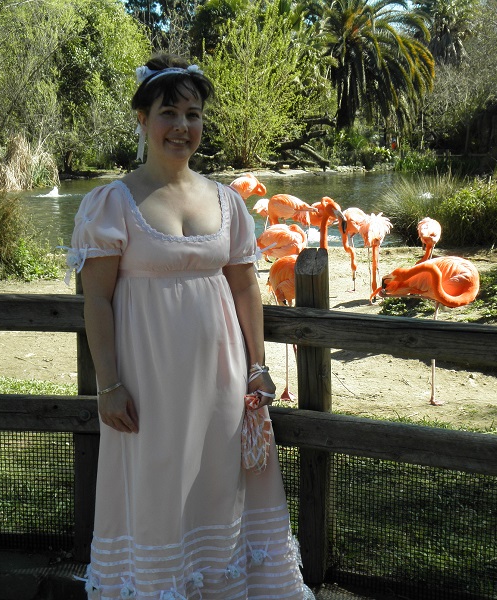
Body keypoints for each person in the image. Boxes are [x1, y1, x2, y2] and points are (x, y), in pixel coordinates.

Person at [66, 53, 314, 599]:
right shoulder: (111, 202)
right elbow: (98, 302)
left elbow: (246, 287)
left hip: (221, 379)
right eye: (169, 112)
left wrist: (258, 367)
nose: (182, 127)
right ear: (142, 119)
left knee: (218, 488)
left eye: (193, 114)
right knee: (154, 490)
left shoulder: (227, 201)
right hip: (146, 384)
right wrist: (108, 386)